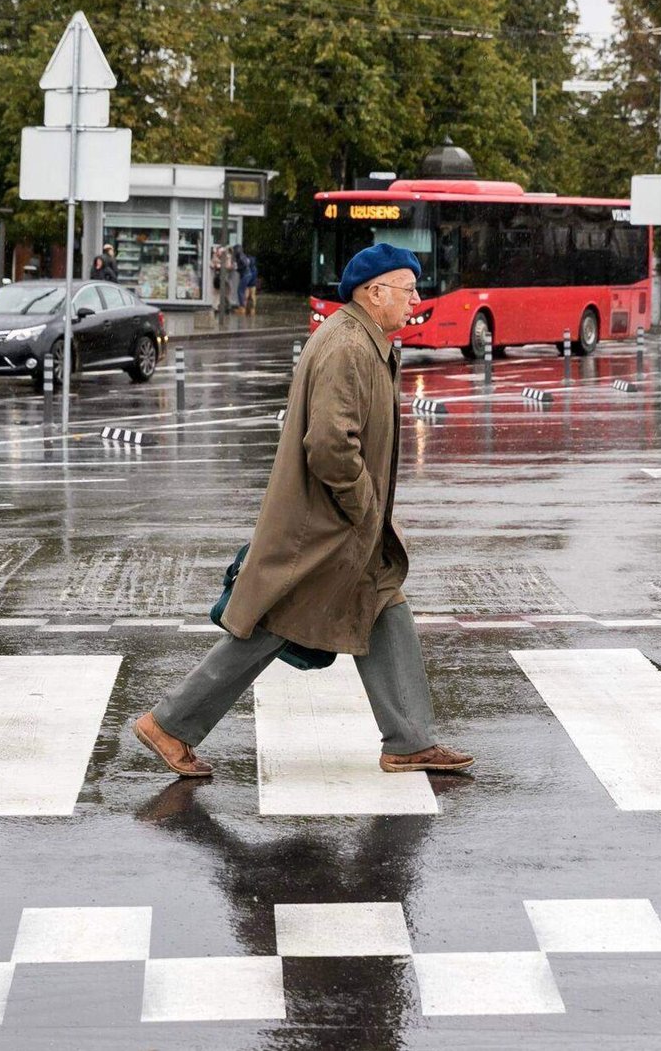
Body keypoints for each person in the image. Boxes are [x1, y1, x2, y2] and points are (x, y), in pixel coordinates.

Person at [132, 243, 474, 778]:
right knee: (272, 624)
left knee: (385, 602)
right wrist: (365, 506)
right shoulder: (347, 347)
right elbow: (331, 445)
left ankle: (409, 739)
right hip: (324, 529)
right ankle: (170, 723)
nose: (415, 299)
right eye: (408, 289)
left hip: (345, 527)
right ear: (375, 291)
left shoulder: (366, 340)